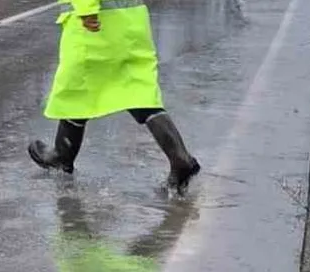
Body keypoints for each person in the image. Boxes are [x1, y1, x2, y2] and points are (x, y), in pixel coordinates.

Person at [29, 0, 201, 193]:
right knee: (139, 91)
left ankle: (62, 156)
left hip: (98, 25)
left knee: (76, 88)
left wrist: (87, 9)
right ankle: (179, 157)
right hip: (132, 20)